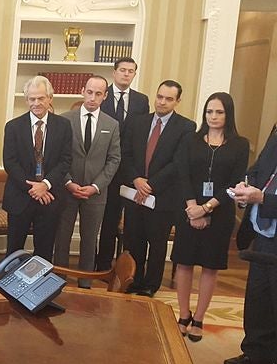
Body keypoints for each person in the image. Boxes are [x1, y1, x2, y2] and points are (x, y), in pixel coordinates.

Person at [171, 92, 249, 342]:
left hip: (220, 213)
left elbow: (234, 182)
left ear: (228, 114)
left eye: (219, 112)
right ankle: (184, 314)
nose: (213, 117)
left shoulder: (240, 144)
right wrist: (193, 207)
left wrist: (207, 208)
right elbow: (182, 174)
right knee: (183, 263)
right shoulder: (190, 140)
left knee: (209, 266)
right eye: (209, 111)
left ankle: (200, 318)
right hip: (188, 209)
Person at [120, 80, 196, 297]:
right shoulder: (137, 122)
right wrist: (136, 179)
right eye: (160, 96)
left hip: (163, 196)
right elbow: (126, 154)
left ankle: (151, 284)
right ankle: (133, 279)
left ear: (177, 101)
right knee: (134, 238)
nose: (162, 102)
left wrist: (151, 184)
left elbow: (178, 162)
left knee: (157, 242)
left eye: (169, 99)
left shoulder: (186, 127)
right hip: (135, 193)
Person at [53, 76, 120, 287]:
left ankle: (85, 283)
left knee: (90, 240)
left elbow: (114, 159)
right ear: (83, 91)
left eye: (98, 94)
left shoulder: (112, 124)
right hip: (67, 190)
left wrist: (95, 186)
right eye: (89, 92)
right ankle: (58, 280)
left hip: (96, 193)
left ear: (105, 96)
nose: (93, 97)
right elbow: (57, 157)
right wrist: (68, 182)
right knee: (62, 239)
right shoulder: (65, 120)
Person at [225, 128, 277, 364]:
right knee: (258, 296)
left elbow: (267, 193)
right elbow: (257, 170)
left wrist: (263, 198)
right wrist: (246, 186)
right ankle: (255, 353)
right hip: (262, 234)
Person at [2, 75, 72, 261]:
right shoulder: (13, 127)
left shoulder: (64, 126)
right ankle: (9, 287)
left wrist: (46, 185)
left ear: (50, 98)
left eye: (41, 98)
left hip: (50, 199)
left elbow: (65, 160)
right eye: (32, 99)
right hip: (20, 198)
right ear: (26, 100)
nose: (36, 103)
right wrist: (34, 188)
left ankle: (40, 288)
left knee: (44, 251)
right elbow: (9, 162)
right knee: (14, 250)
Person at [96, 57, 150, 272]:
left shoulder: (141, 100)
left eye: (131, 71)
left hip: (130, 170)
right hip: (106, 168)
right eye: (122, 70)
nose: (126, 74)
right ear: (114, 72)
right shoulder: (103, 96)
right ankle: (102, 266)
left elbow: (142, 134)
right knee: (108, 220)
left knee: (132, 223)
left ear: (134, 74)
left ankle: (126, 268)